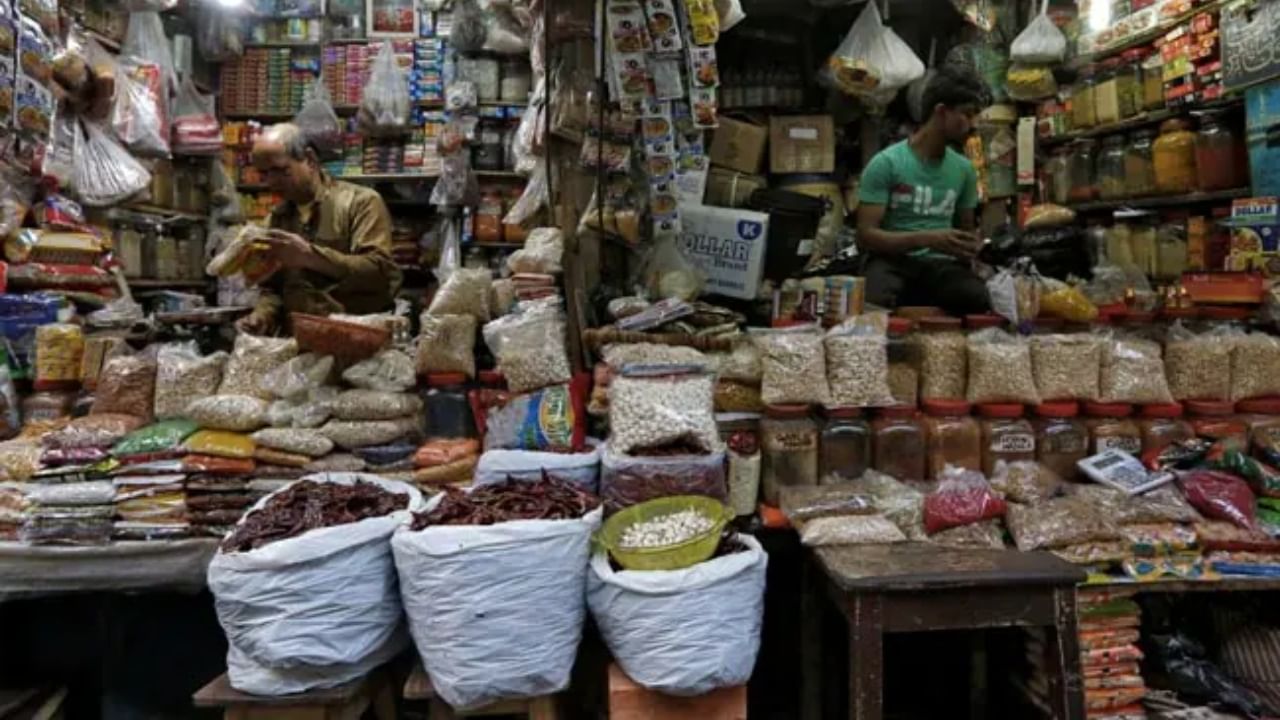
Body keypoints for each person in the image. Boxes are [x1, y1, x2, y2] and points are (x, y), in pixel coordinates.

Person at [236, 123, 402, 335]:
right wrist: (262, 316)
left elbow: (378, 271)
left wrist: (311, 256)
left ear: (310, 160)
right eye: (264, 173)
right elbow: (274, 288)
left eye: (280, 170)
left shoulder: (360, 202)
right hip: (302, 344)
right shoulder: (278, 219)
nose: (271, 181)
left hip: (357, 339)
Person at [857, 65, 989, 315]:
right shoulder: (886, 163)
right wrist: (926, 239)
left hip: (940, 266)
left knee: (976, 298)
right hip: (892, 261)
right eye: (968, 114)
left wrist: (973, 246)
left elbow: (965, 231)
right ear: (941, 112)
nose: (973, 125)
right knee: (873, 301)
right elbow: (865, 236)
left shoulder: (964, 170)